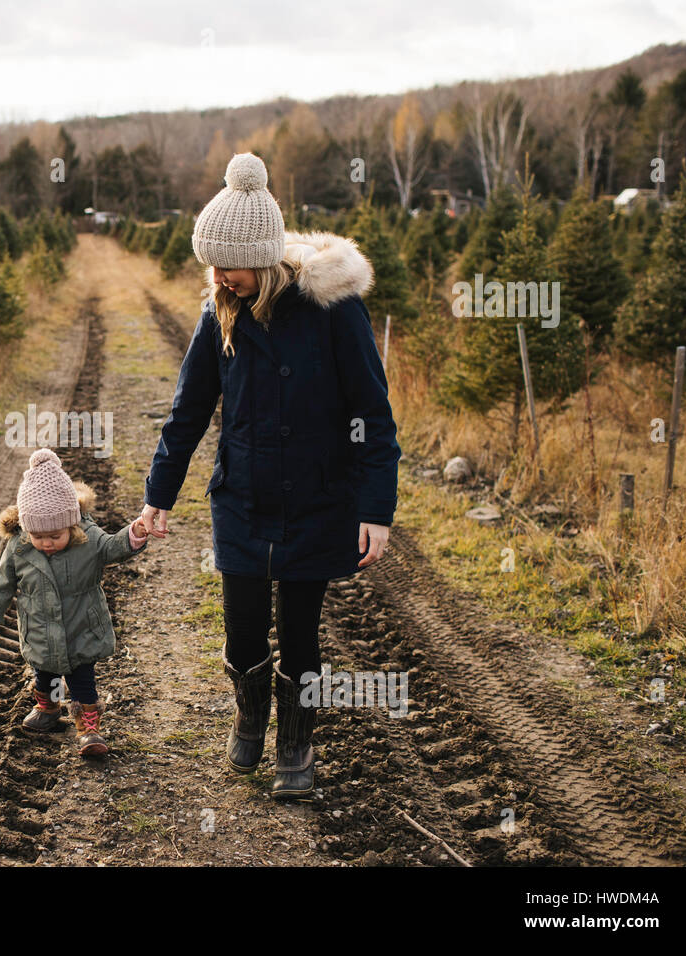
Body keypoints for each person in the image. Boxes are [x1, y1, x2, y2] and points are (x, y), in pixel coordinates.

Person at [138, 152, 401, 798]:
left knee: (302, 631)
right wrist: (157, 498)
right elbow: (189, 411)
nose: (219, 276)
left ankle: (296, 745)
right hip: (244, 501)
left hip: (316, 499)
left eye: (229, 264)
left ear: (262, 256)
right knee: (243, 626)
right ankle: (252, 712)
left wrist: (376, 509)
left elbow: (373, 413)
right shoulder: (218, 312)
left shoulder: (333, 312)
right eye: (213, 264)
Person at [0, 448, 150, 756]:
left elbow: (113, 548)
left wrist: (133, 534)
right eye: (38, 536)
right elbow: (2, 581)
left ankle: (88, 729)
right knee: (44, 674)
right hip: (40, 631)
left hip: (81, 628)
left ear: (71, 523)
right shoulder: (19, 547)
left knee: (83, 682)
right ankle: (49, 709)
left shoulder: (89, 539)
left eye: (54, 535)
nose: (46, 543)